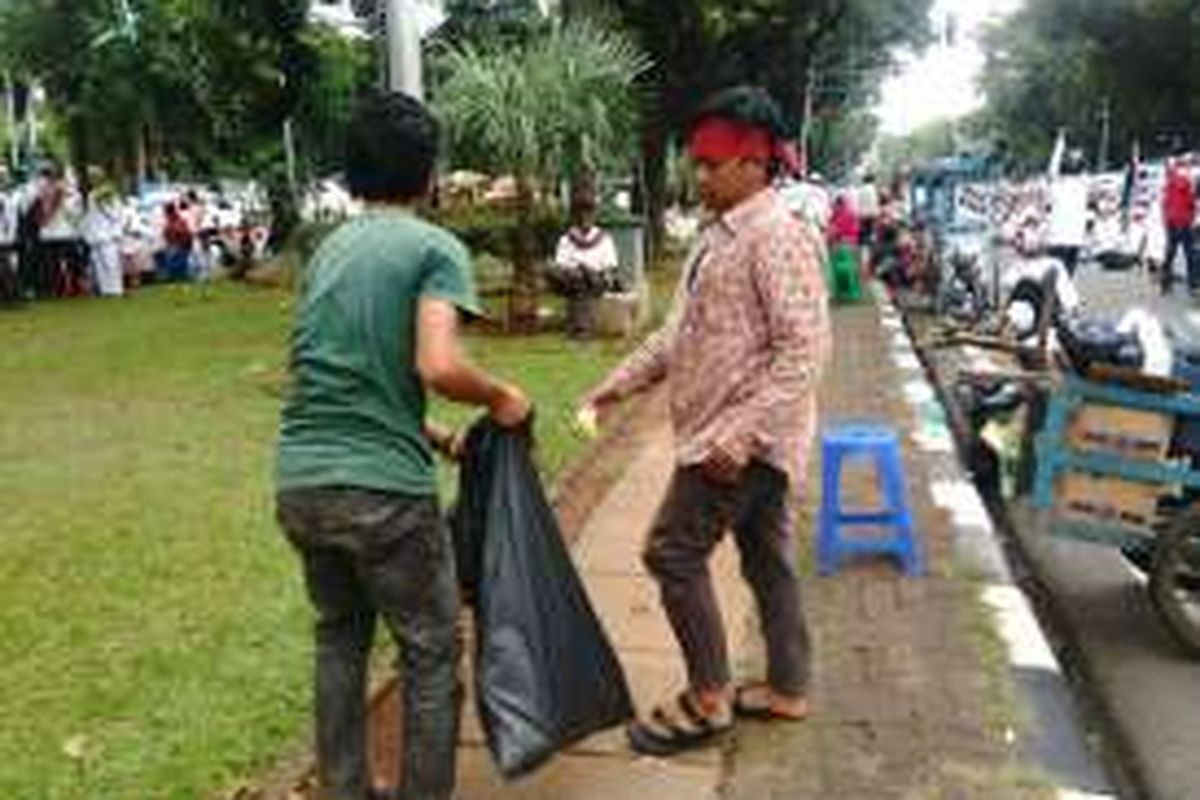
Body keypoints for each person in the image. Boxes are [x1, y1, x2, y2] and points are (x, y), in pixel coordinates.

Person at [274, 90, 530, 800]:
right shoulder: (434, 247)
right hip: (383, 495)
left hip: (301, 483)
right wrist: (502, 397)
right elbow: (438, 366)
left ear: (354, 172)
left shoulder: (326, 253)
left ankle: (346, 789)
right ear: (428, 173)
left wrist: (437, 434)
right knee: (430, 653)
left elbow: (324, 376)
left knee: (339, 638)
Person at [578, 86, 830, 757]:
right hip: (737, 438)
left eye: (712, 163)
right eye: (696, 161)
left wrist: (741, 434)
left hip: (737, 446)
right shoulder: (716, 238)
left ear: (755, 164)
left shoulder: (778, 236)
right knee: (767, 561)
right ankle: (788, 687)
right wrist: (613, 387)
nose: (699, 174)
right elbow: (676, 336)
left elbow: (804, 349)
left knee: (671, 552)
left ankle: (709, 696)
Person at [548, 184, 619, 337]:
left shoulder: (604, 239)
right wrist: (575, 271)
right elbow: (561, 265)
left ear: (593, 216)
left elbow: (610, 268)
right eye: (581, 214)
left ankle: (579, 327)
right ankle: (582, 328)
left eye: (588, 213)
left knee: (584, 280)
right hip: (572, 280)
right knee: (576, 279)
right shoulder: (566, 239)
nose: (584, 218)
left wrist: (591, 272)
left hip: (596, 280)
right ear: (575, 216)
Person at [1045, 150, 1089, 276]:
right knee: (1067, 278)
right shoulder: (1083, 186)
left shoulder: (1056, 185)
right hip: (1075, 238)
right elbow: (1084, 170)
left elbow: (1051, 171)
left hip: (1056, 239)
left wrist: (1059, 145)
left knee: (1055, 278)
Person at [1161, 152, 1197, 294]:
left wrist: (1166, 218)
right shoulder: (1186, 181)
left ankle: (1165, 283)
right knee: (1190, 254)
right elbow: (1190, 202)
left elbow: (1166, 202)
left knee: (1170, 252)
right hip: (1183, 220)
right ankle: (1193, 284)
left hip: (1171, 220)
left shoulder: (1170, 180)